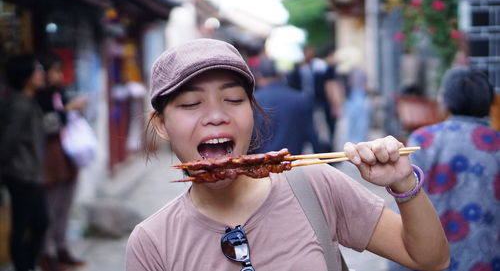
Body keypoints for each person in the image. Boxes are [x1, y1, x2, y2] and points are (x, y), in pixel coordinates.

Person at [125, 38, 450, 271]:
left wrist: (404, 183)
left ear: (252, 112)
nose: (215, 116)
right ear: (162, 125)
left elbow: (429, 259)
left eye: (234, 100)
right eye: (191, 104)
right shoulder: (153, 242)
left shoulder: (315, 185)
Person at [391, 67, 499, 271]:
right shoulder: (496, 143)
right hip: (487, 258)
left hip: (432, 258)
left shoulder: (423, 140)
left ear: (445, 101)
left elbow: (406, 197)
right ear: (489, 102)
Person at [35, 53, 86, 271]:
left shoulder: (59, 94)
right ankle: (46, 254)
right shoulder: (38, 99)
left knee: (64, 206)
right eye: (54, 71)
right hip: (48, 159)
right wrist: (67, 110)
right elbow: (45, 126)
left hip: (67, 156)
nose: (59, 76)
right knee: (50, 208)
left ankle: (61, 247)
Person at [0, 54, 49, 271]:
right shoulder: (19, 105)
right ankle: (23, 266)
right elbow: (6, 143)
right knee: (23, 226)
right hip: (21, 175)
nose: (41, 73)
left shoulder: (29, 102)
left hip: (32, 174)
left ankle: (28, 264)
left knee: (40, 222)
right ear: (26, 76)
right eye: (37, 69)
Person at [252, 56, 323, 154]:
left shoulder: (253, 101)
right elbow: (312, 135)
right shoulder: (300, 98)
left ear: (258, 76)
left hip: (260, 164)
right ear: (280, 75)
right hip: (293, 163)